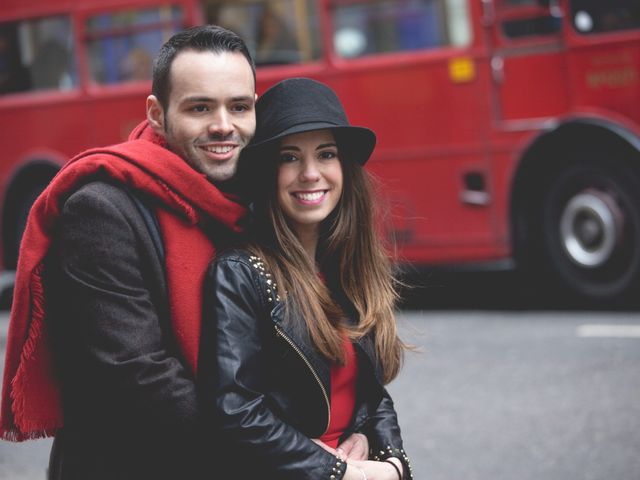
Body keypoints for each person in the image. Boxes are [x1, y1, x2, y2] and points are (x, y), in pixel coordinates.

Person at [0, 25, 256, 479]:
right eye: (200, 107)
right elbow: (140, 376)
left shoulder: (253, 200)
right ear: (157, 115)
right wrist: (281, 449)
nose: (224, 125)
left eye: (239, 107)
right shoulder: (100, 209)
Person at [200, 78, 413, 479]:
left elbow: (372, 394)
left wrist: (393, 462)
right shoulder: (240, 272)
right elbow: (237, 412)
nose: (311, 173)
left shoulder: (346, 265)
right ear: (268, 172)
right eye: (290, 158)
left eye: (326, 154)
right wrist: (337, 471)